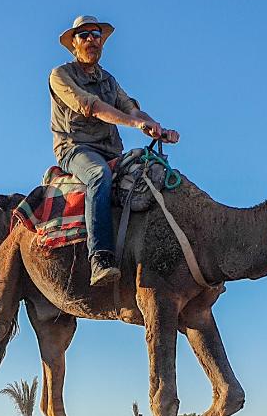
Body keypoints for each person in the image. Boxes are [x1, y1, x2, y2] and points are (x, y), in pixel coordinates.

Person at [50, 15, 180, 286]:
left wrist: (156, 126)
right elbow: (91, 106)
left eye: (96, 34)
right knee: (99, 175)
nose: (91, 40)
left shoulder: (109, 81)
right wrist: (135, 122)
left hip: (111, 149)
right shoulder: (61, 75)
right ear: (74, 44)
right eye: (83, 35)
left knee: (153, 172)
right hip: (76, 148)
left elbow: (131, 108)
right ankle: (99, 256)